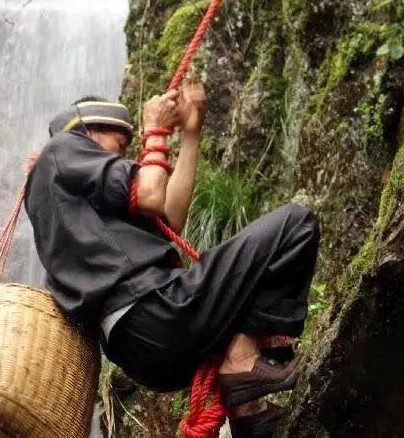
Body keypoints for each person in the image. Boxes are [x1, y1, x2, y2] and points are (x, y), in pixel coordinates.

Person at [23, 82, 320, 437]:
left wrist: (190, 135)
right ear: (88, 131)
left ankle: (246, 407)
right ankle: (241, 363)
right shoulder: (64, 148)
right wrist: (155, 129)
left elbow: (170, 215)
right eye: (119, 147)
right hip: (155, 311)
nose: (121, 158)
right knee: (294, 225)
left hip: (143, 354)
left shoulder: (82, 203)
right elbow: (150, 192)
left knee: (249, 281)